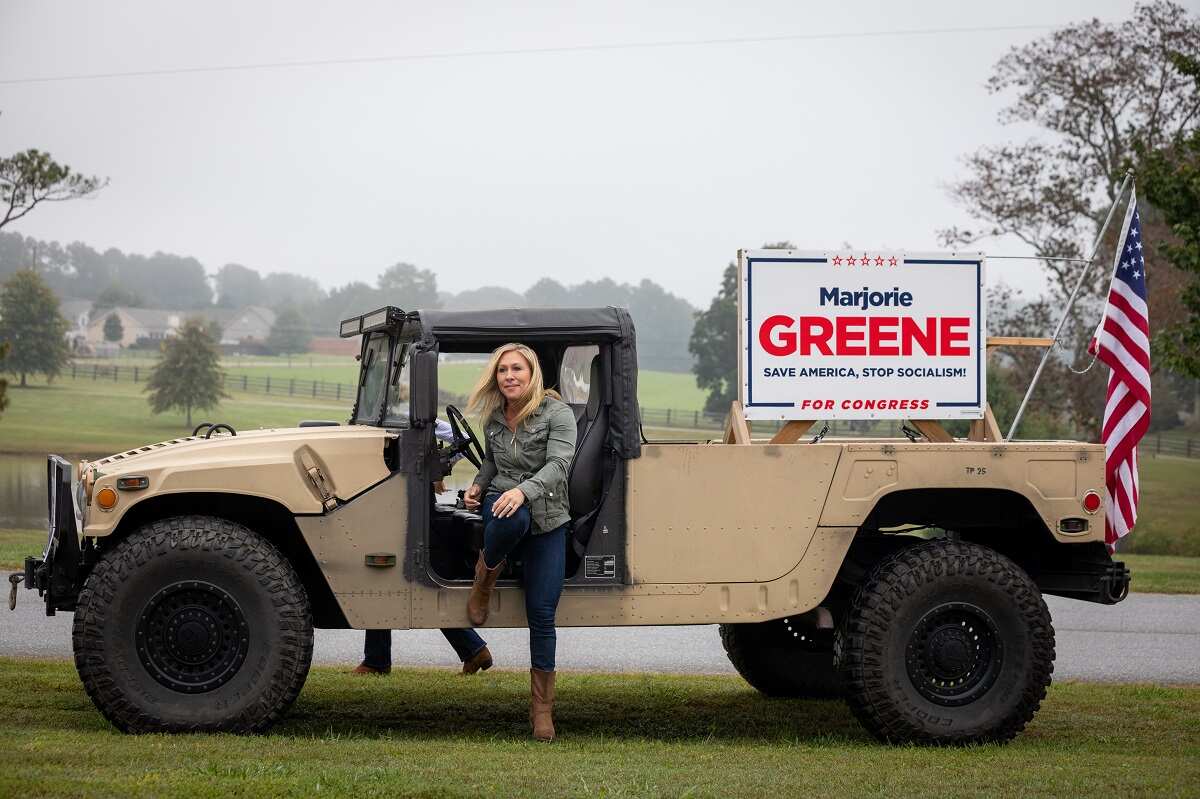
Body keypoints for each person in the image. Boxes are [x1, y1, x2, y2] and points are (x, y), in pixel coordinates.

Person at [463, 342, 576, 741]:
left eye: (517, 369)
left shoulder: (557, 414)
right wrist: (478, 485)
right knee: (511, 515)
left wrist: (524, 490)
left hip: (548, 516)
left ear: (533, 375)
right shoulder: (494, 418)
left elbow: (560, 464)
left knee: (542, 612)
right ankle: (485, 576)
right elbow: (493, 461)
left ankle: (541, 711)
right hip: (503, 507)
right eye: (502, 370)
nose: (509, 376)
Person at [354, 417, 493, 676]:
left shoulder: (420, 420)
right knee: (400, 580)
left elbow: (458, 436)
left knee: (387, 577)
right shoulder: (397, 420)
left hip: (412, 503)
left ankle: (377, 660)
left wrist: (438, 467)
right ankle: (473, 650)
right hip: (407, 497)